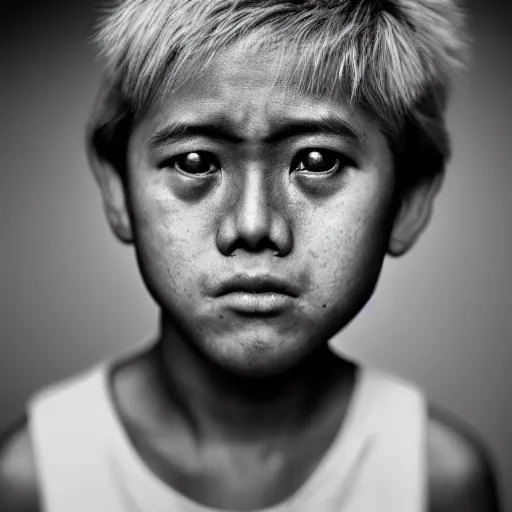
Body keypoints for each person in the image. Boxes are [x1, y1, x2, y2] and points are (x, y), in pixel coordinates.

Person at [0, 0, 501, 510]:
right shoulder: (36, 475)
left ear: (409, 197)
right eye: (195, 162)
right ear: (116, 186)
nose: (254, 225)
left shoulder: (436, 477)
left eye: (318, 160)